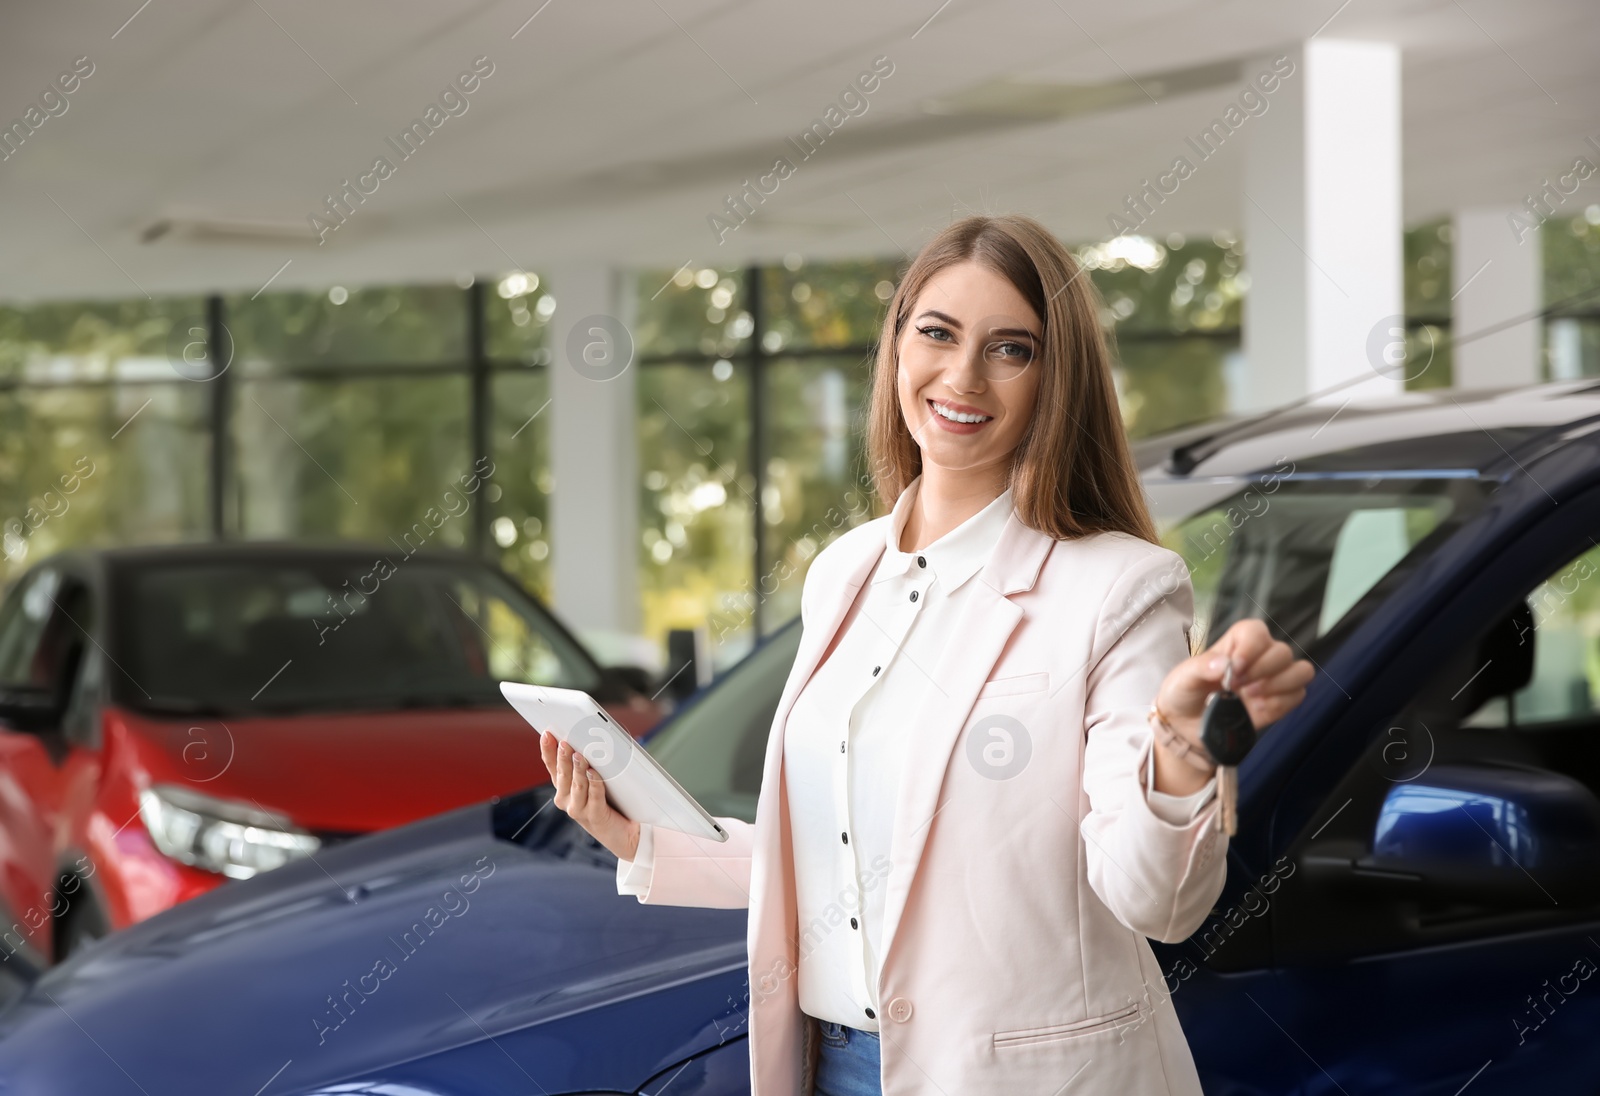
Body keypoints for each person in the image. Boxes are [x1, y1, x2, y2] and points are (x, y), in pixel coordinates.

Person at [540, 214, 1314, 1096]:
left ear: (1054, 379)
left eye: (1011, 349)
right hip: (830, 1069)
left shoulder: (1121, 588)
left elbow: (1158, 906)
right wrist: (641, 836)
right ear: (897, 343)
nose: (962, 376)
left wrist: (1180, 750)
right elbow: (851, 857)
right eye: (937, 333)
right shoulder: (846, 571)